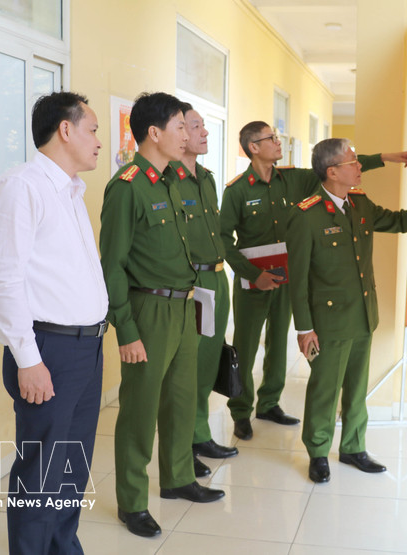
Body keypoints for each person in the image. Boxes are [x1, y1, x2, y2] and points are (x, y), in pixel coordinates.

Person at [220, 121, 407, 441]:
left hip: (285, 278)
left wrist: (386, 157)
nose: (278, 140)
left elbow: (334, 166)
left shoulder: (292, 178)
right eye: (271, 138)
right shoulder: (237, 190)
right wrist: (254, 275)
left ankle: (269, 402)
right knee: (245, 348)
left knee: (277, 345)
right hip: (253, 284)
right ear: (253, 147)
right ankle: (241, 411)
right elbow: (223, 240)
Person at [286, 138, 407, 483]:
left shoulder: (359, 204)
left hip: (363, 313)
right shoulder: (306, 215)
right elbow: (298, 278)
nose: (359, 166)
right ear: (332, 171)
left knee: (356, 386)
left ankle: (353, 447)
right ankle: (318, 452)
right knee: (324, 389)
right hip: (328, 321)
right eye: (353, 161)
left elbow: (397, 222)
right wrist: (304, 329)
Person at [0, 91, 109, 554]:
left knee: (72, 471)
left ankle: (62, 548)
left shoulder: (71, 191)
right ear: (65, 130)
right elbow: (3, 281)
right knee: (41, 475)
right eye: (93, 129)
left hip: (85, 349)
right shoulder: (22, 187)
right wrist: (28, 360)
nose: (99, 141)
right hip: (47, 351)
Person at [100, 92, 224, 539]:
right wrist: (126, 329)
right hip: (147, 309)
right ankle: (132, 502)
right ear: (154, 133)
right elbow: (111, 265)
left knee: (180, 398)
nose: (186, 135)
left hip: (183, 304)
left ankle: (177, 479)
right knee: (139, 410)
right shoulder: (128, 186)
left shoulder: (172, 181)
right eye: (178, 127)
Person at [171, 106, 239, 473]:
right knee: (187, 367)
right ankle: (181, 446)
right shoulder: (171, 179)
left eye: (203, 126)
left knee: (208, 361)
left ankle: (199, 434)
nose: (204, 133)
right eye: (195, 126)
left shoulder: (208, 178)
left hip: (217, 278)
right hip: (192, 283)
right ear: (179, 132)